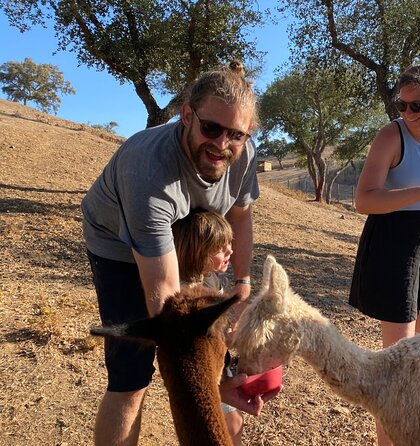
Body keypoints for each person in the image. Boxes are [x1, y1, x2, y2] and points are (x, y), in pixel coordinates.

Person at [82, 61, 279, 446]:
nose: (222, 144)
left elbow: (240, 216)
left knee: (216, 356)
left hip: (194, 237)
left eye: (235, 134)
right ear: (187, 115)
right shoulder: (148, 173)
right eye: (211, 128)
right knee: (131, 377)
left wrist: (241, 289)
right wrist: (202, 386)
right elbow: (169, 304)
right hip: (120, 246)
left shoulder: (243, 153)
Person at [348, 63, 420, 446]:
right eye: (402, 104)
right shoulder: (390, 136)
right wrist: (419, 192)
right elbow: (363, 200)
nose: (408, 113)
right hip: (393, 244)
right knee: (399, 362)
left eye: (417, 105)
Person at [171, 209, 244, 445]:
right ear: (198, 252)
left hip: (222, 363)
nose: (230, 251)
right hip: (207, 371)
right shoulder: (184, 293)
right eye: (221, 248)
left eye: (230, 244)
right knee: (228, 424)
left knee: (235, 424)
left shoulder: (213, 279)